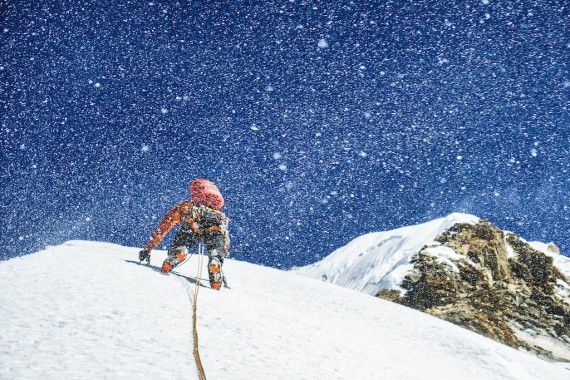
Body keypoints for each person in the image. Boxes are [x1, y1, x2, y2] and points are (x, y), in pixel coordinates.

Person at [139, 179, 230, 290]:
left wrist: (148, 248)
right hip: (215, 225)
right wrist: (222, 252)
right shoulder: (217, 212)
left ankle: (180, 251)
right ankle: (215, 261)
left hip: (193, 220)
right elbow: (224, 238)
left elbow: (165, 225)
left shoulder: (188, 205)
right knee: (216, 243)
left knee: (187, 233)